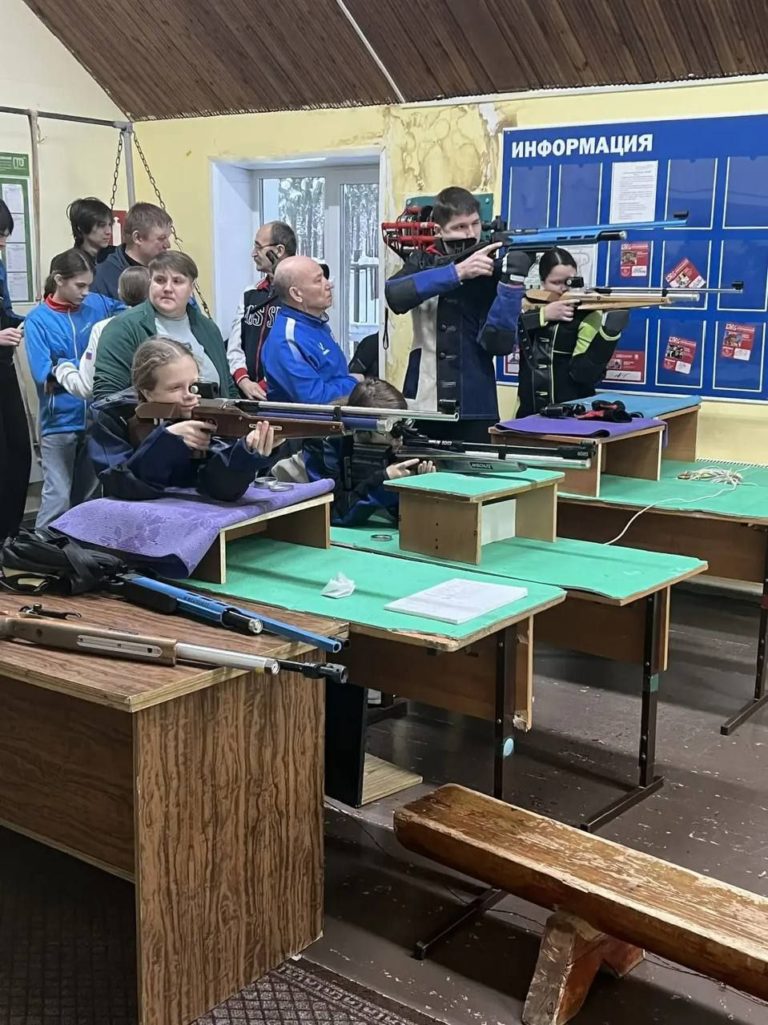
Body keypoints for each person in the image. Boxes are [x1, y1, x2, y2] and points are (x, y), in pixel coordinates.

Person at [385, 186, 528, 442]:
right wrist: (458, 272)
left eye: (475, 224)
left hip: (475, 401)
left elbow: (498, 344)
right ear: (439, 230)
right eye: (460, 227)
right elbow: (395, 295)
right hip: (425, 397)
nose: (471, 233)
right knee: (419, 464)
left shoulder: (491, 270)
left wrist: (512, 284)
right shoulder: (422, 261)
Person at [88, 337, 278, 501]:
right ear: (147, 392)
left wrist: (246, 454)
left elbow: (218, 489)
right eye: (175, 388)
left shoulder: (204, 411)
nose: (190, 396)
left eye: (194, 385)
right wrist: (167, 440)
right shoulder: (112, 415)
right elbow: (123, 485)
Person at [23, 249, 121, 527]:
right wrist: (85, 365)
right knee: (58, 497)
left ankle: (79, 550)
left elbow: (130, 312)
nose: (86, 292)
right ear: (59, 280)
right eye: (80, 286)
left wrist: (65, 365)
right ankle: (41, 548)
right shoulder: (37, 321)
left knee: (88, 499)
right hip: (59, 424)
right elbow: (44, 374)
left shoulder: (97, 306)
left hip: (95, 420)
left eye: (89, 285)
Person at [92, 251, 236, 400]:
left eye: (177, 281)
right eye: (160, 280)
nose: (167, 288)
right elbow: (107, 398)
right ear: (150, 283)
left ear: (191, 288)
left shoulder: (209, 328)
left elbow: (228, 388)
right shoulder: (123, 328)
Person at [302, 377, 435, 526]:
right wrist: (383, 480)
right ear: (363, 431)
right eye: (392, 428)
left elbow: (398, 515)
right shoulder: (324, 442)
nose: (400, 437)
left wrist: (415, 491)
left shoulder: (391, 445)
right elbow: (333, 513)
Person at [516, 247, 630, 417]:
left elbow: (584, 374)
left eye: (570, 281)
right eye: (556, 282)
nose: (564, 288)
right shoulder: (527, 307)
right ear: (542, 282)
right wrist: (543, 315)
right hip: (528, 412)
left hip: (572, 414)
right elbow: (500, 336)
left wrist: (609, 334)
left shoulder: (587, 313)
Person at [263, 255, 361, 403]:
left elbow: (333, 375)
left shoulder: (315, 323)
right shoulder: (287, 340)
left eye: (325, 278)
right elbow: (315, 399)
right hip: (309, 418)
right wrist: (354, 383)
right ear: (296, 294)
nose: (329, 285)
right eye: (318, 280)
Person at [53, 266, 150, 399]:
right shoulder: (166, 324)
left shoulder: (105, 328)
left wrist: (62, 368)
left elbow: (88, 387)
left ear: (119, 291)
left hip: (122, 406)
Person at [228, 221, 297, 400]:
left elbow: (297, 352)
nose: (253, 253)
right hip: (245, 393)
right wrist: (243, 380)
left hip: (283, 395)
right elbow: (235, 345)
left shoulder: (298, 296)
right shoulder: (250, 293)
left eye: (259, 247)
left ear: (279, 250)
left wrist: (265, 385)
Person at [0, 199, 32, 541]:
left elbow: (6, 312)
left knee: (19, 452)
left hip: (4, 368)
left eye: (6, 236)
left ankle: (10, 537)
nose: (3, 244)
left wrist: (33, 320)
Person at [91, 202, 172, 299]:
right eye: (161, 238)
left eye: (167, 238)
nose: (168, 245)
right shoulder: (103, 278)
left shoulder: (169, 271)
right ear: (137, 238)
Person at [68, 197, 114, 271]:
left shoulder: (117, 256)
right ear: (81, 227)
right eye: (101, 226)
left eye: (110, 225)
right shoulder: (67, 262)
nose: (108, 232)